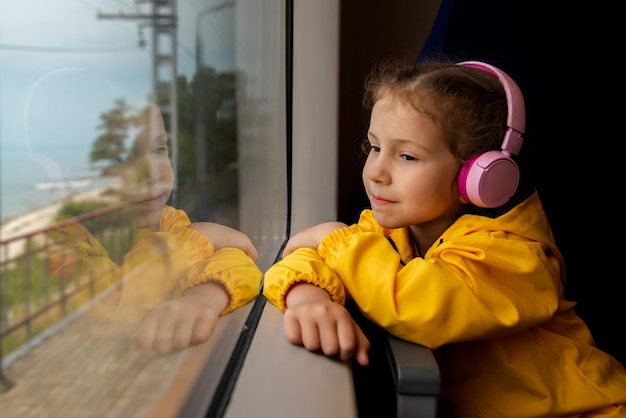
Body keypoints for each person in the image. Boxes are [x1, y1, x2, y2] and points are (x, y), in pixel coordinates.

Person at [262, 57, 626, 417]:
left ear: (481, 175)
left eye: (406, 156)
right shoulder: (393, 230)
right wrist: (309, 298)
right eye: (375, 147)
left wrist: (335, 238)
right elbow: (305, 255)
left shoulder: (514, 258)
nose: (376, 172)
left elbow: (416, 304)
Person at [48, 102, 262, 358]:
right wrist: (201, 238)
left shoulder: (165, 222)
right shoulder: (54, 242)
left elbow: (240, 260)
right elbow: (106, 307)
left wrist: (202, 297)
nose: (153, 172)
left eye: (158, 149)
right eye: (121, 158)